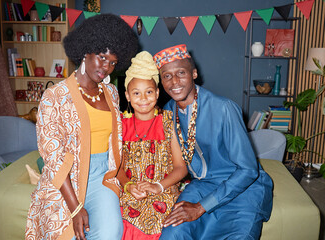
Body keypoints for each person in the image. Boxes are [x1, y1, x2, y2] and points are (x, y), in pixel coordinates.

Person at [25, 14, 138, 240]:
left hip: (101, 177)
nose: (106, 67)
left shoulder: (112, 94)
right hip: (65, 180)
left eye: (113, 62)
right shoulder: (54, 96)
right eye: (102, 57)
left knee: (110, 233)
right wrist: (76, 208)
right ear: (86, 51)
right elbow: (54, 158)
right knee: (65, 234)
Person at [153, 44, 273, 239]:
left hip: (244, 190)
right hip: (202, 186)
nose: (174, 81)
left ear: (194, 73)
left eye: (181, 72)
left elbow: (248, 170)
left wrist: (201, 207)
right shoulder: (167, 112)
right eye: (166, 75)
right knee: (172, 233)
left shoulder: (224, 108)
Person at [119, 51, 188, 240]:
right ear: (127, 95)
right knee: (121, 223)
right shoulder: (121, 126)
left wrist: (157, 186)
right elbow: (118, 169)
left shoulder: (168, 122)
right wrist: (128, 186)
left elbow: (181, 168)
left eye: (149, 92)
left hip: (163, 190)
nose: (143, 98)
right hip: (132, 193)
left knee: (163, 224)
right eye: (136, 93)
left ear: (157, 93)